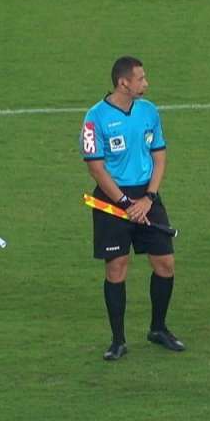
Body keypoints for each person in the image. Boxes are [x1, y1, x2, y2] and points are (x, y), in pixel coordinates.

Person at [80, 56, 185, 360]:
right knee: (117, 268)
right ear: (123, 83)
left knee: (165, 264)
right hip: (112, 201)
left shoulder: (149, 111)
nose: (146, 83)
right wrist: (126, 204)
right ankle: (117, 340)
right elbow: (96, 168)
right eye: (140, 78)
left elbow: (160, 156)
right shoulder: (95, 118)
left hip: (147, 197)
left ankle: (158, 328)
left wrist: (149, 198)